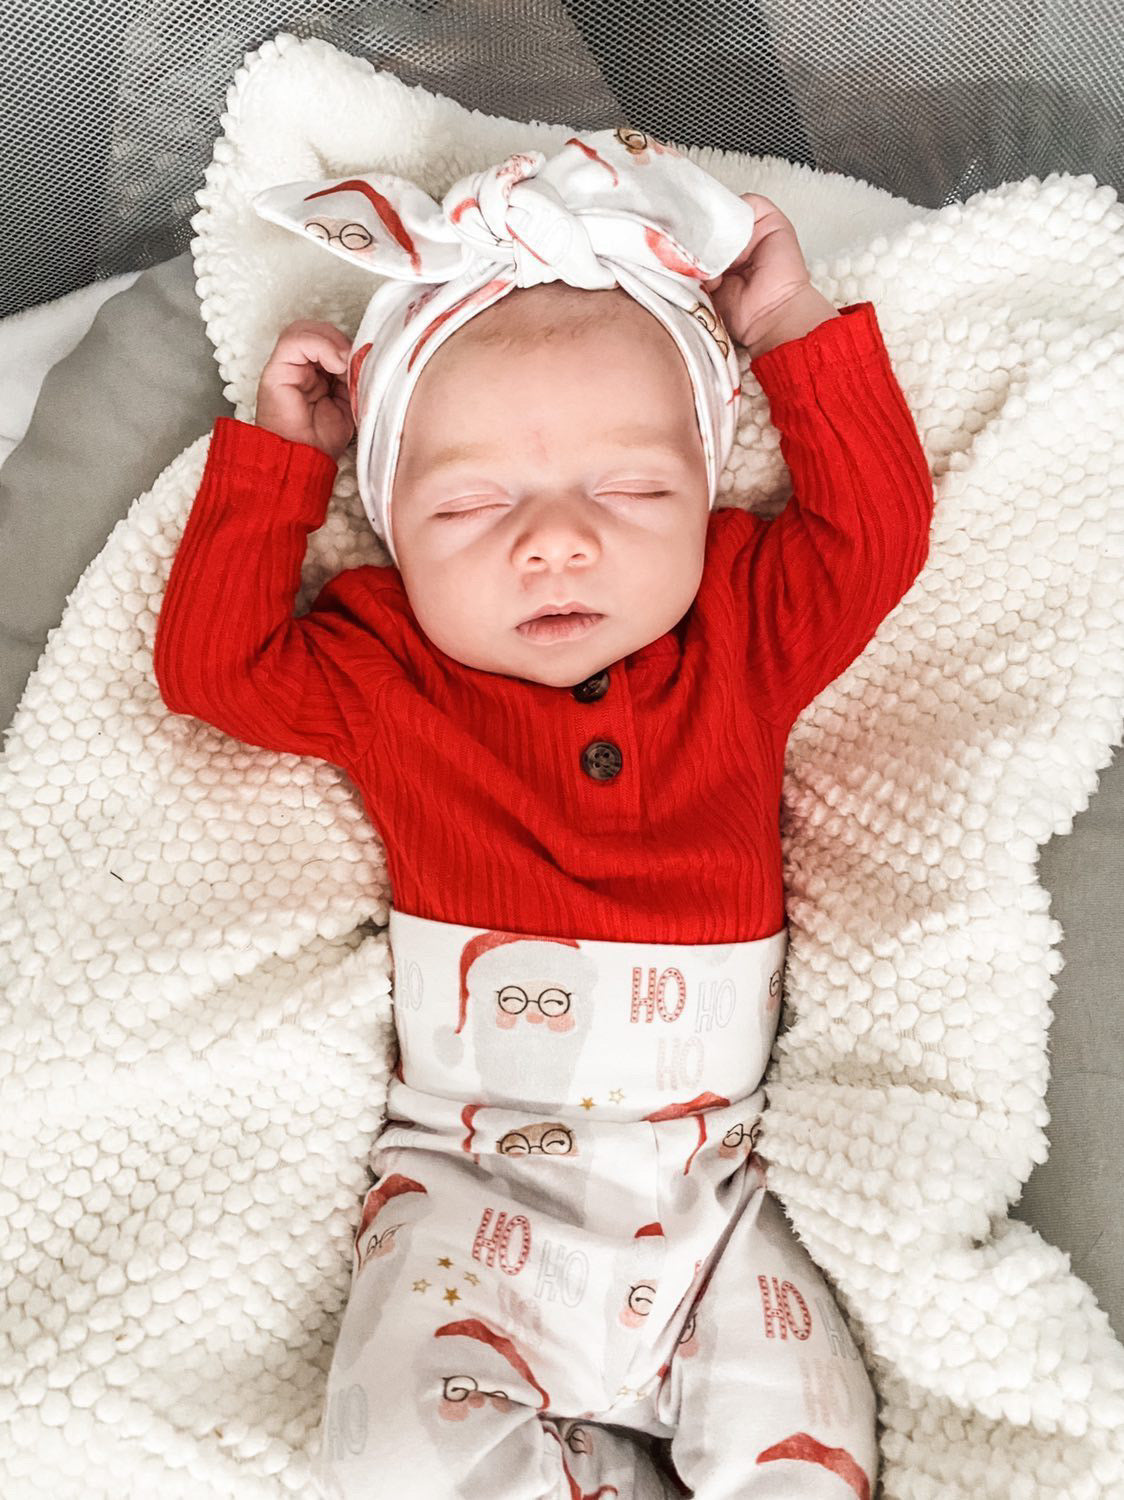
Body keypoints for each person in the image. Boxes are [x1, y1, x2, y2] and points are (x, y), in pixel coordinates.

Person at [154, 129, 933, 1498]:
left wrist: (791, 329)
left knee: (809, 1446)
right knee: (399, 1450)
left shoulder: (746, 628)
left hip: (717, 1201)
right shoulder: (384, 664)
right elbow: (214, 669)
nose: (556, 540)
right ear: (389, 523)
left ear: (704, 496)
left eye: (631, 490)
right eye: (471, 504)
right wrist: (278, 468)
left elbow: (876, 533)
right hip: (469, 1197)